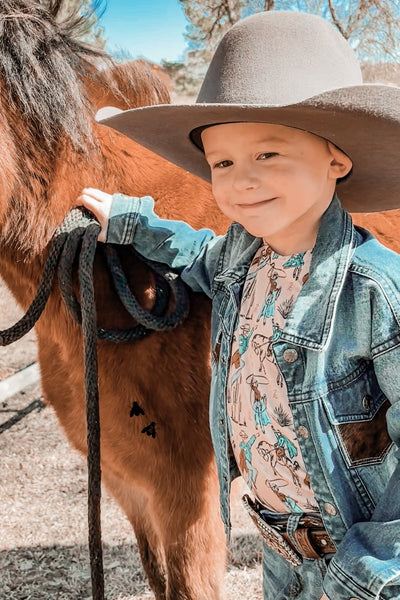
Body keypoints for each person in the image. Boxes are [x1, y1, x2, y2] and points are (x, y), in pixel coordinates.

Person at [79, 11, 400, 600]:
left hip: (358, 565)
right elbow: (197, 251)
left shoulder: (376, 290)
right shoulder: (241, 260)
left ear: (338, 160)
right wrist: (131, 221)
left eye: (268, 155)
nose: (241, 181)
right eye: (222, 163)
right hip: (279, 550)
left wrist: (371, 571)